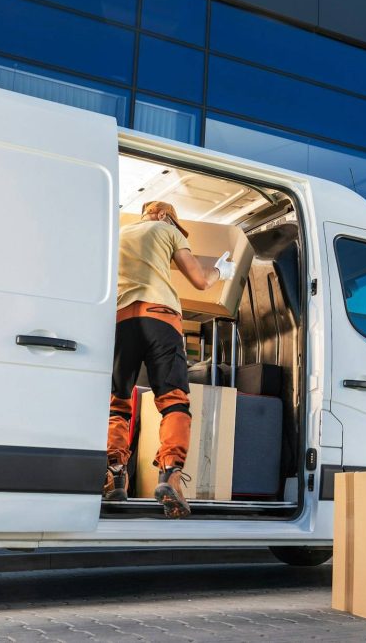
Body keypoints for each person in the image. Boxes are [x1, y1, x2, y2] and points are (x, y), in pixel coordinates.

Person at [104, 200, 235, 518]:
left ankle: (114, 476)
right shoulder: (167, 230)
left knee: (117, 401)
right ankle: (171, 475)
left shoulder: (118, 234)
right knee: (174, 401)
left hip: (121, 319)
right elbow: (201, 281)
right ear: (164, 215)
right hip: (160, 316)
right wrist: (221, 271)